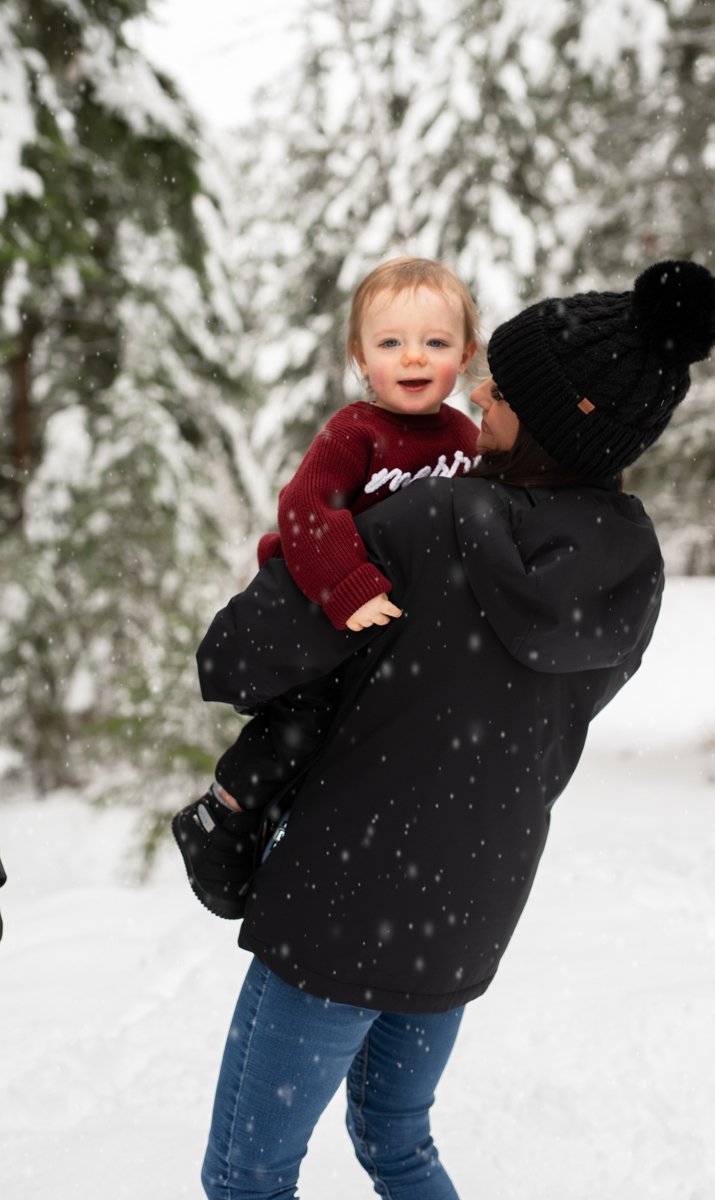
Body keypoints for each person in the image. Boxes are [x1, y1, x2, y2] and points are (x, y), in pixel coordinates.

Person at [193, 259, 715, 1199]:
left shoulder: (429, 520)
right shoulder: (632, 563)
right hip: (470, 907)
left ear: (559, 419)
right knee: (398, 1146)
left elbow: (234, 659)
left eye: (507, 386)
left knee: (246, 1175)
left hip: (339, 907)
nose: (477, 387)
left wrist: (311, 553)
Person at [173, 258, 481, 917]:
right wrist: (349, 586)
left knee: (358, 742)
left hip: (390, 628)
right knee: (303, 721)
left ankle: (286, 834)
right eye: (390, 342)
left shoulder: (466, 440)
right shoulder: (357, 431)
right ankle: (219, 813)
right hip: (321, 608)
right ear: (359, 356)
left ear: (466, 353)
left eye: (435, 341)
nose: (412, 357)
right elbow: (306, 509)